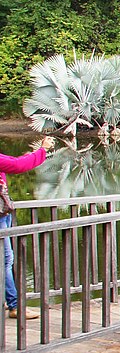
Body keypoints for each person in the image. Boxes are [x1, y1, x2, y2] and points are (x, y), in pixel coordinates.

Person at [1, 137, 51, 320]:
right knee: (5, 261)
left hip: (3, 215)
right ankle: (15, 306)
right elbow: (17, 166)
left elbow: (14, 163)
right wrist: (42, 150)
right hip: (0, 217)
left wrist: (32, 155)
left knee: (5, 260)